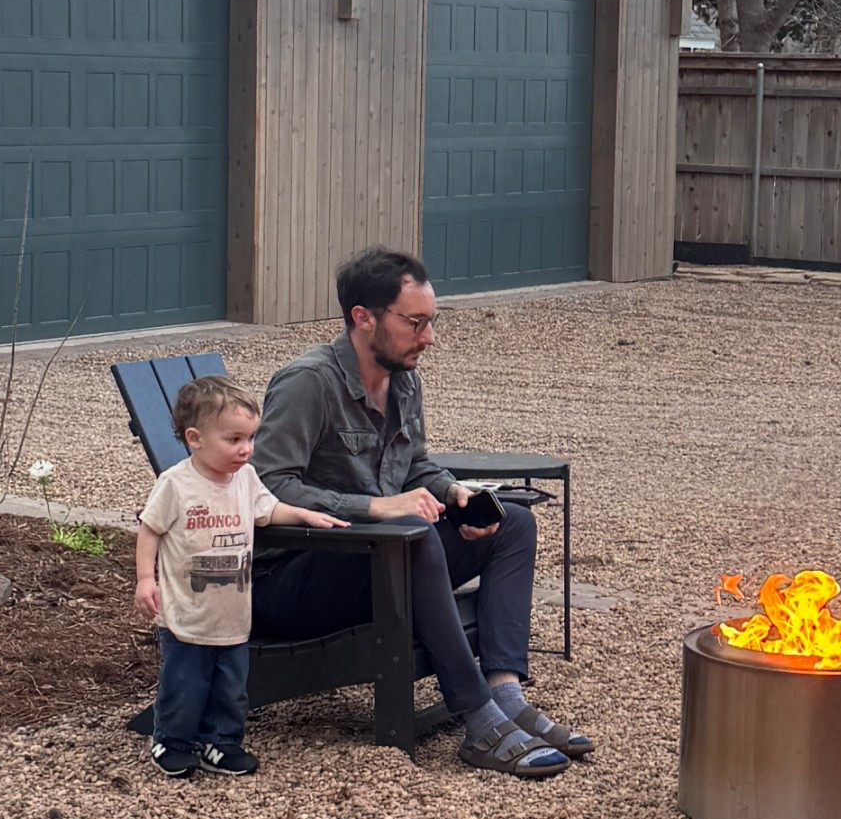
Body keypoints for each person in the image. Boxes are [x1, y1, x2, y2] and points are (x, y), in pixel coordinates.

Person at [252, 246, 591, 779]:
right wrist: (375, 507)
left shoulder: (404, 380)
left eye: (430, 322)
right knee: (411, 533)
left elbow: (416, 467)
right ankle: (475, 714)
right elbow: (266, 487)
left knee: (514, 524)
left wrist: (451, 493)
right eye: (415, 322)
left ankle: (504, 693)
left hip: (377, 560)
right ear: (363, 317)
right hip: (295, 578)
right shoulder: (307, 383)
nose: (428, 337)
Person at [135, 374, 345, 779]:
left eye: (250, 438)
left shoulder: (245, 479)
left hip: (233, 613)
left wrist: (302, 514)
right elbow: (150, 530)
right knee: (186, 684)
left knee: (231, 687)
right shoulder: (176, 485)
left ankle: (221, 742)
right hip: (186, 616)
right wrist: (147, 579)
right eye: (234, 440)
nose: (246, 449)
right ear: (195, 438)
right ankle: (173, 741)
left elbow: (268, 510)